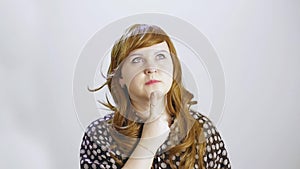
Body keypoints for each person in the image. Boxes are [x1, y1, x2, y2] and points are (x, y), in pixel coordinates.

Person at [80, 24, 231, 169]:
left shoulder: (201, 129)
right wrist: (148, 143)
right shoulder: (99, 135)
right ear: (120, 77)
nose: (151, 68)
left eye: (160, 56)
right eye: (137, 60)